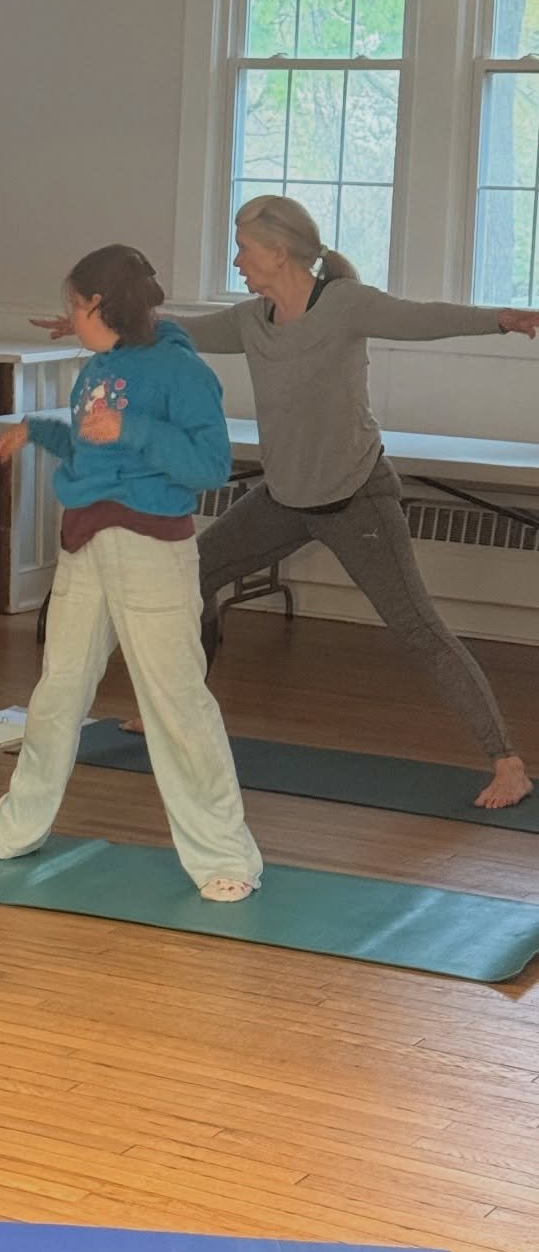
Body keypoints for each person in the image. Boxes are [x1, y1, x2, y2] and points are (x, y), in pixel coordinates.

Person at [33, 196, 539, 810]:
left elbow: (420, 317)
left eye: (244, 246)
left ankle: (507, 763)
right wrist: (93, 323)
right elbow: (173, 328)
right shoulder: (252, 319)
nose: (237, 258)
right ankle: (172, 704)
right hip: (283, 499)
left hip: (357, 501)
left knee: (419, 630)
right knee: (191, 573)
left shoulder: (344, 306)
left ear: (278, 250)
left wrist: (501, 320)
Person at [0, 245, 263, 902]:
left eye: (73, 305)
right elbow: (93, 443)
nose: (66, 318)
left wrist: (133, 425)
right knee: (57, 693)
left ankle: (223, 856)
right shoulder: (95, 368)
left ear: (100, 304)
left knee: (176, 704)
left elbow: (210, 465)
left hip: (153, 550)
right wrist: (39, 431)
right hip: (86, 543)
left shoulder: (181, 371)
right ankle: (16, 828)